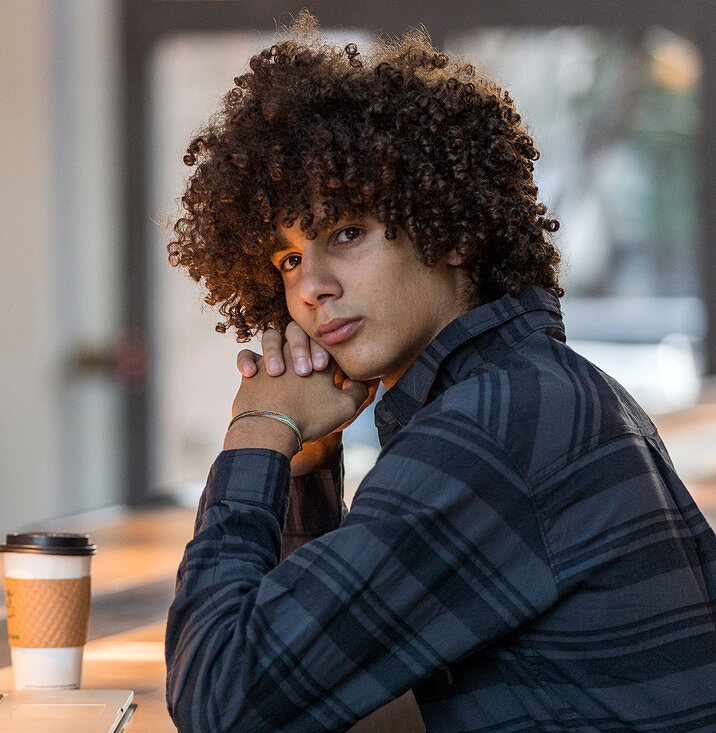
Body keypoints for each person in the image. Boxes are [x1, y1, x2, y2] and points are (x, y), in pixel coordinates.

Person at [163, 16, 716, 733]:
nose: (310, 288)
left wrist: (257, 429)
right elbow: (315, 686)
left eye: (346, 233)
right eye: (289, 257)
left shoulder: (489, 430)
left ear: (450, 230)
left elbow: (223, 700)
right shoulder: (526, 389)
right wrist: (301, 467)